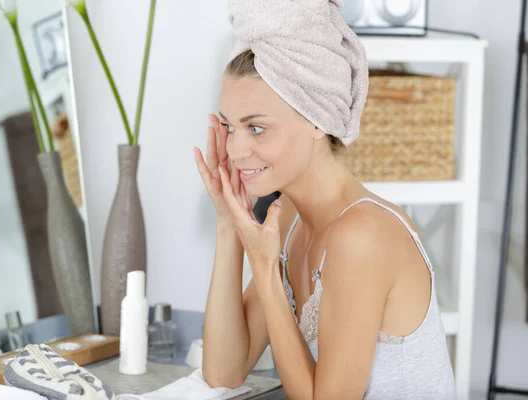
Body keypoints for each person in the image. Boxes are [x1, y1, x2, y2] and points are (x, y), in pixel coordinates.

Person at [192, 0, 456, 399]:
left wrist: (266, 271)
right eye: (229, 127)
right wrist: (229, 221)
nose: (235, 150)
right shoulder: (290, 219)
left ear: (318, 119)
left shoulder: (362, 236)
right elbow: (224, 372)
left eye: (257, 128)